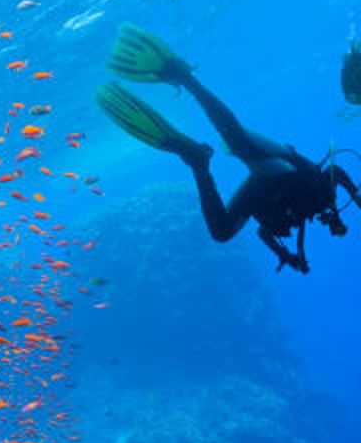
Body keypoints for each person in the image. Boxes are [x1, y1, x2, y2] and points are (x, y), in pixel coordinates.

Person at [96, 23, 361, 274]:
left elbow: (263, 232)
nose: (332, 225)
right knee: (238, 141)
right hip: (286, 166)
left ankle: (196, 161)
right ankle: (184, 77)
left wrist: (285, 255)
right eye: (337, 226)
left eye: (333, 228)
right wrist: (356, 194)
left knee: (221, 232)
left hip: (262, 186)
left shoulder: (297, 219)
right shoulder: (325, 194)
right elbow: (336, 170)